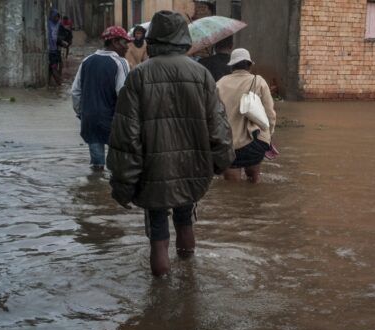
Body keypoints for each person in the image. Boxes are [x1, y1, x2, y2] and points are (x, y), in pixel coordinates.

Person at [107, 10, 234, 277]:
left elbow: (125, 137)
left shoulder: (138, 77)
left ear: (152, 39)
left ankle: (160, 301)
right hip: (192, 168)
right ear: (183, 39)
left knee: (157, 231)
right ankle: (189, 285)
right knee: (185, 219)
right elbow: (219, 126)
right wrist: (220, 163)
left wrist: (123, 183)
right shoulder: (201, 75)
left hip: (154, 171)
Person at [71, 26, 132, 172]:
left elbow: (75, 92)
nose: (127, 48)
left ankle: (94, 187)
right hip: (112, 120)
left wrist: (81, 114)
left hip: (90, 120)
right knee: (119, 165)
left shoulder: (87, 61)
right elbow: (124, 94)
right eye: (125, 43)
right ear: (116, 42)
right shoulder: (120, 62)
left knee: (97, 166)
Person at [216, 48, 276, 183]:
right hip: (255, 142)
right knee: (253, 181)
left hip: (229, 144)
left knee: (231, 188)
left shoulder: (220, 84)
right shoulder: (259, 81)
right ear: (249, 65)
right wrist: (270, 135)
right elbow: (270, 114)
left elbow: (212, 115)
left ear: (232, 66)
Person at [47, 9, 65, 86]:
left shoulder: (58, 24)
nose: (57, 18)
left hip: (56, 49)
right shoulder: (48, 24)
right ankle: (59, 84)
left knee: (55, 67)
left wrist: (61, 42)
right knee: (53, 67)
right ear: (52, 16)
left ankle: (50, 83)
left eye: (58, 17)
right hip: (50, 50)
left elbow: (57, 36)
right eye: (55, 17)